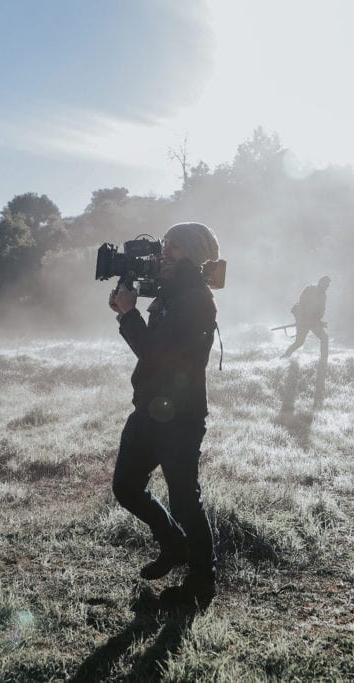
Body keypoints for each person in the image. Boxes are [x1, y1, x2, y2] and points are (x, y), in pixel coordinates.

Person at [108, 222, 220, 607]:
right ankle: (174, 544)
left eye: (169, 247)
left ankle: (202, 584)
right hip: (149, 409)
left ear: (188, 253)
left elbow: (157, 353)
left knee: (185, 501)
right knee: (126, 487)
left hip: (182, 415)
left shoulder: (196, 300)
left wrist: (127, 315)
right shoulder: (172, 291)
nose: (160, 254)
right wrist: (127, 304)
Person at [282, 275, 330, 360]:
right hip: (303, 321)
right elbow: (301, 305)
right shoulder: (309, 289)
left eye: (328, 285)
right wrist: (303, 319)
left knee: (324, 338)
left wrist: (318, 321)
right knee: (299, 342)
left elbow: (321, 311)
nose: (327, 287)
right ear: (320, 283)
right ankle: (284, 357)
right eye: (326, 285)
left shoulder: (323, 295)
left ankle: (323, 360)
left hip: (314, 322)